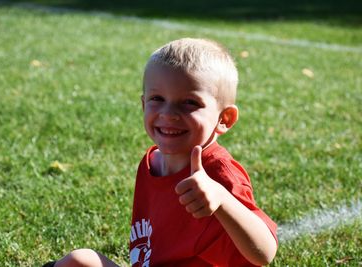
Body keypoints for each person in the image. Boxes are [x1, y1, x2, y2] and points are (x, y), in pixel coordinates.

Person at [43, 38, 278, 267]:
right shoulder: (151, 162)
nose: (168, 113)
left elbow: (264, 253)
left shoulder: (217, 172)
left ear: (224, 118)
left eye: (190, 102)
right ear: (144, 105)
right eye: (157, 99)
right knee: (81, 260)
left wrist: (222, 198)